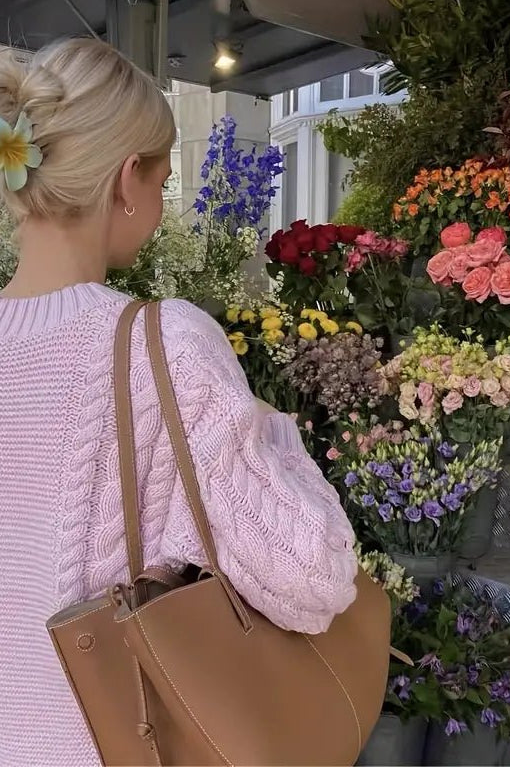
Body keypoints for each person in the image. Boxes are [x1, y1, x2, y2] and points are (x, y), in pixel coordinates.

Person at [0, 38, 357, 766]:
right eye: (163, 181)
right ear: (128, 179)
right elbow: (313, 576)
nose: (159, 204)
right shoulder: (162, 344)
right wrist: (269, 432)